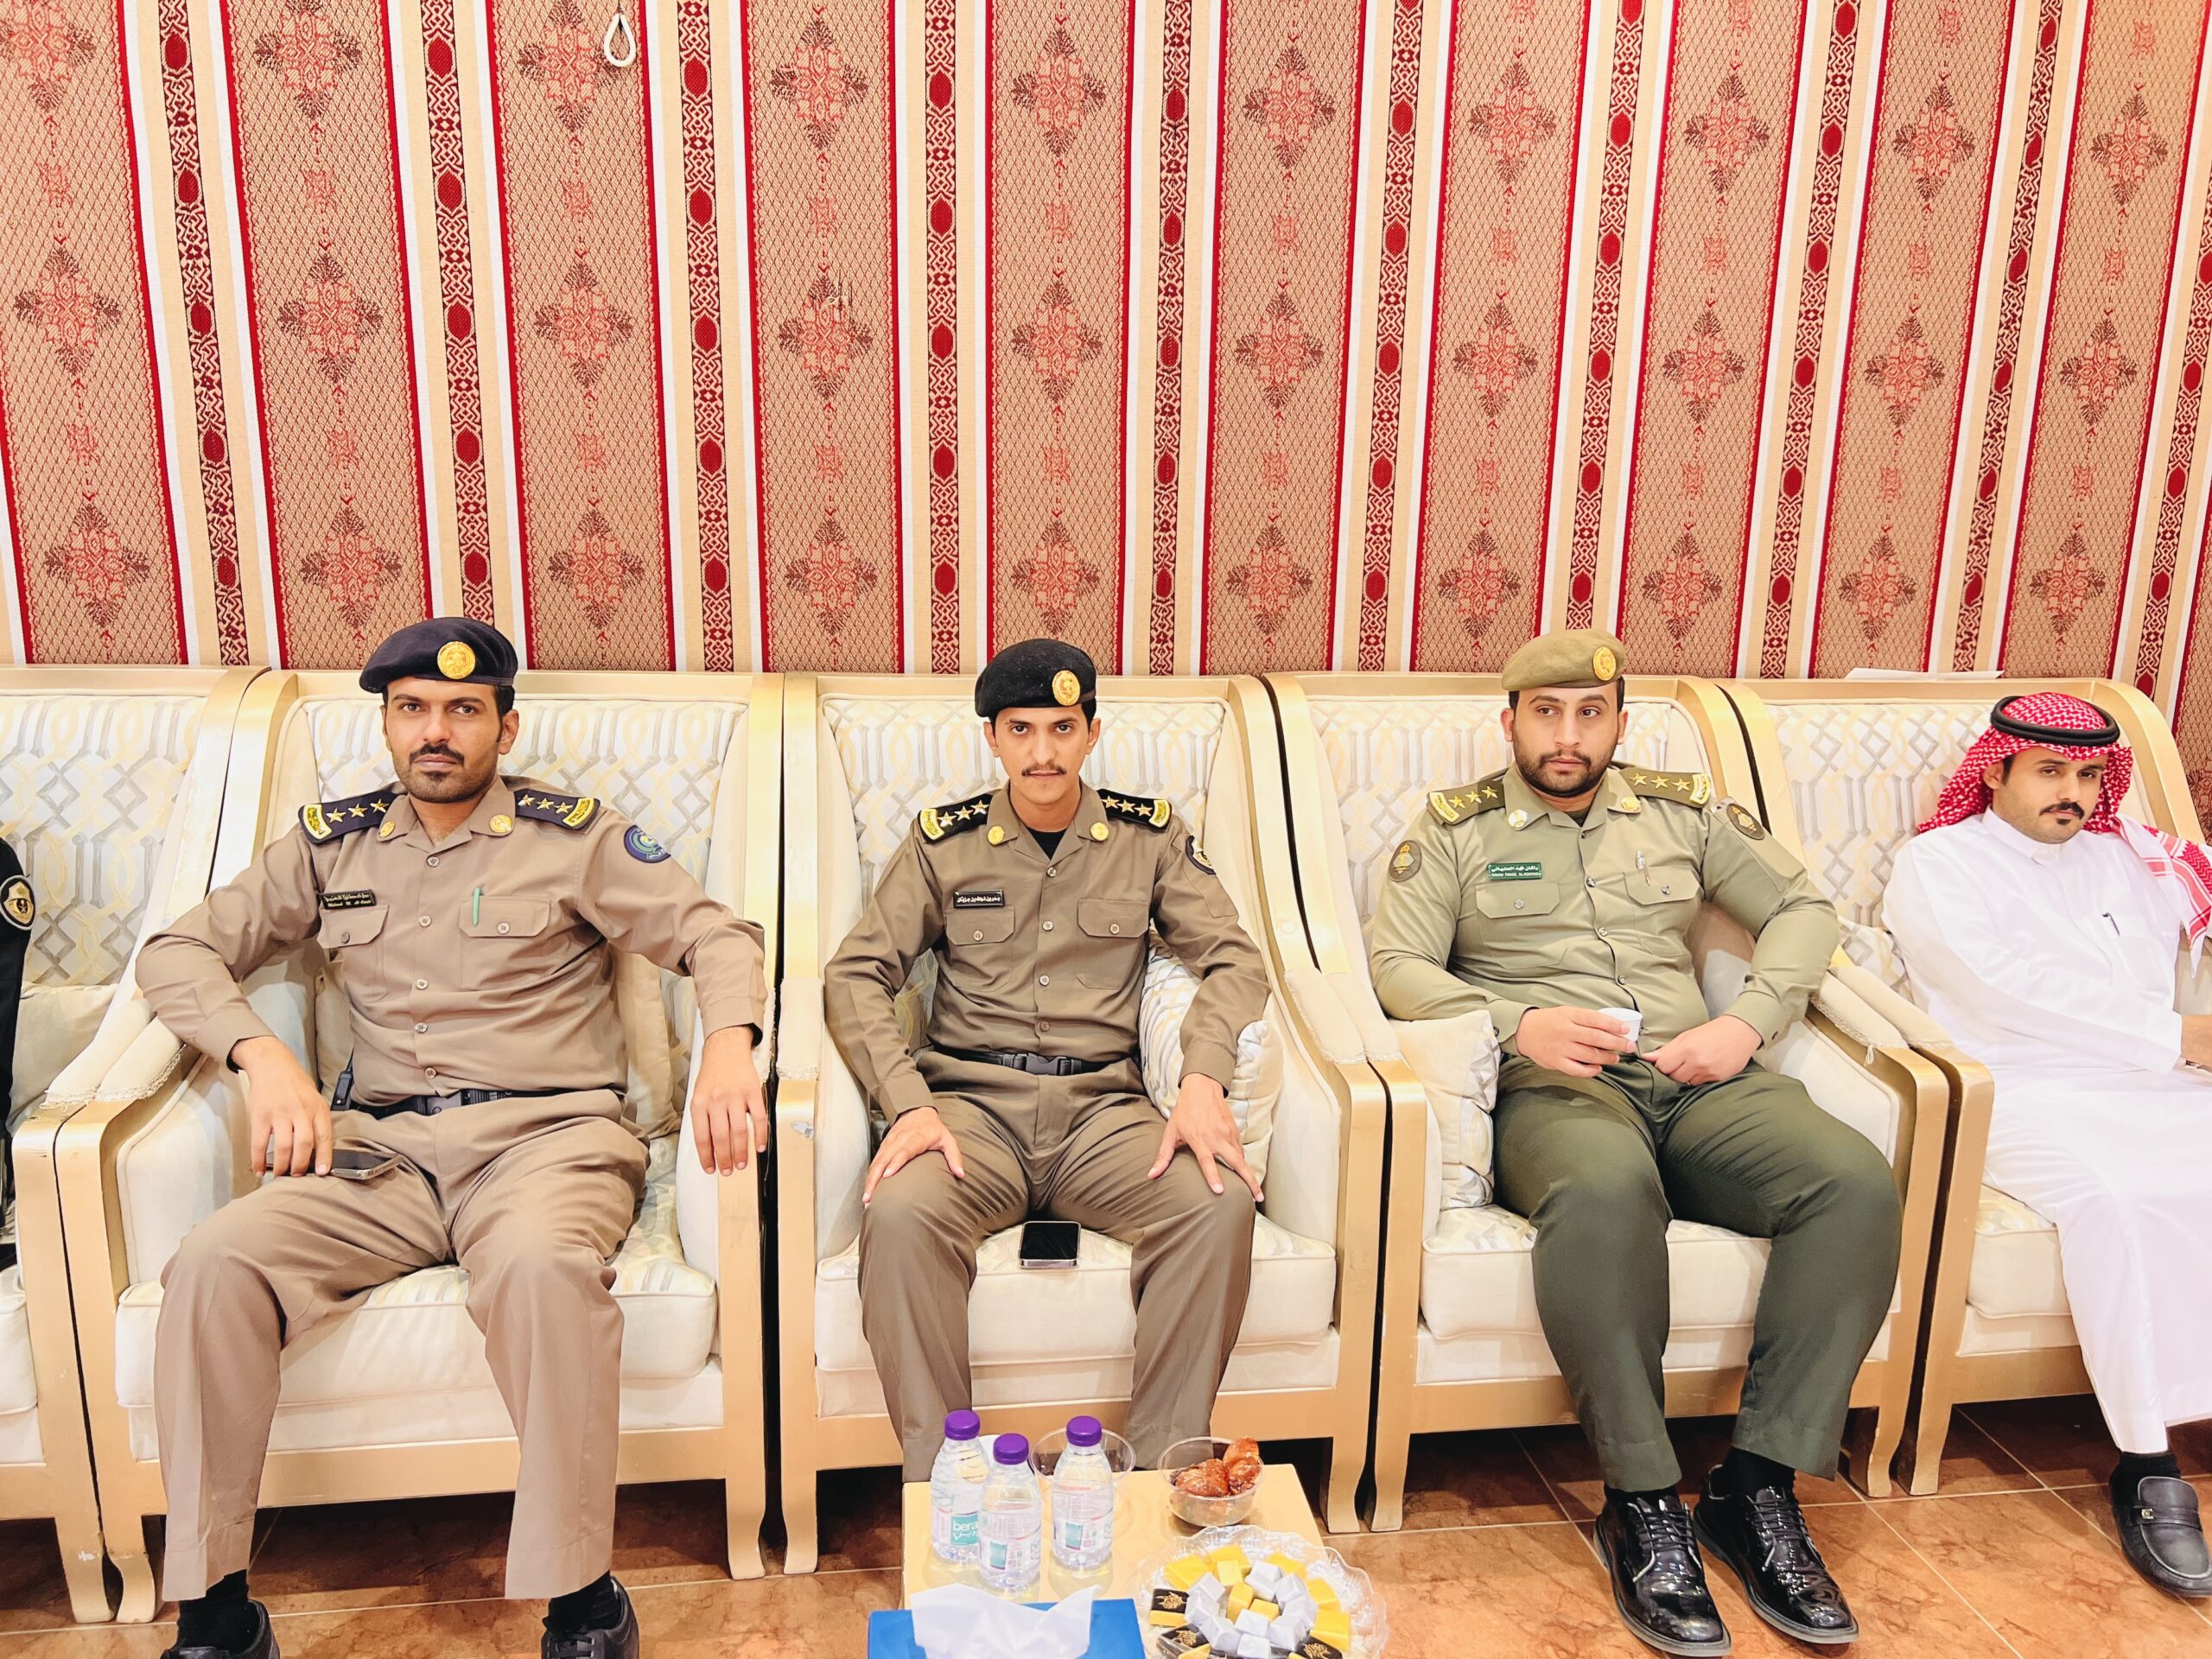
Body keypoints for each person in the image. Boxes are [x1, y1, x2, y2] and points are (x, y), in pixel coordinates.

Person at [136, 618, 769, 1659]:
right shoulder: (330, 845)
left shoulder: (573, 838)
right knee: (213, 1263)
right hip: (377, 1157)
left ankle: (582, 1600)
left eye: (464, 710)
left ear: (504, 729)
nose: (436, 731)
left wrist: (733, 1044)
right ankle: (216, 1617)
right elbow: (177, 952)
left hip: (545, 1144)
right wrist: (262, 1057)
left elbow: (716, 933)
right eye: (413, 710)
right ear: (387, 724)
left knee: (540, 1273)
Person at [1367, 628, 1900, 1654]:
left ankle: (1756, 1489)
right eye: (1545, 714)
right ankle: (1644, 1501)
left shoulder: (1680, 812)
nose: (1567, 737)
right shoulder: (1455, 830)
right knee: (1606, 1193)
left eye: (1589, 714)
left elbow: (1801, 908)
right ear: (1510, 721)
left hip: (1694, 1073)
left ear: (1620, 722)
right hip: (1556, 1085)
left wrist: (1748, 1023)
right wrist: (1515, 1022)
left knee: (1851, 1182)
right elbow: (1396, 965)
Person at [824, 639, 1270, 1477]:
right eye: (1021, 729)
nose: (1042, 752)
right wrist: (906, 1100)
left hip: (1104, 1117)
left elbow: (1235, 961)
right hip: (971, 1114)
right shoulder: (943, 845)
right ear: (991, 738)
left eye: (1062, 728)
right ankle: (947, 1480)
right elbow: (855, 973)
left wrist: (1203, 1077)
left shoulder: (1148, 837)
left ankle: (1158, 1474)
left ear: (1092, 734)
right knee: (900, 1215)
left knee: (1214, 1207)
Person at [1884, 691, 2212, 1599]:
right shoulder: (1939, 863)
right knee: (2113, 1201)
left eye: (2087, 775)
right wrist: (2179, 1036)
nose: (2072, 792)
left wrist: (2177, 1043)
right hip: (2020, 1088)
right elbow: (1998, 992)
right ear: (1995, 771)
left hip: (2159, 1082)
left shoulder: (2130, 858)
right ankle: (2147, 1462)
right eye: (2049, 771)